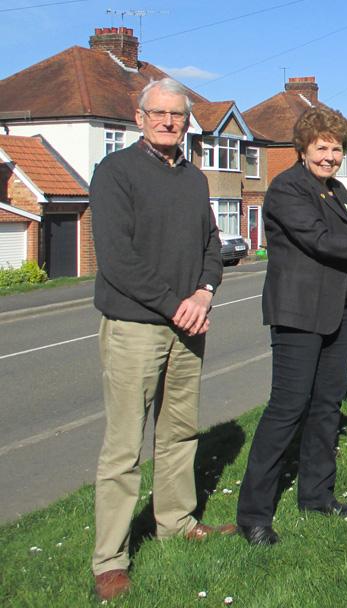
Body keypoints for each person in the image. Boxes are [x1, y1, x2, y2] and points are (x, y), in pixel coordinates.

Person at [236, 106, 347, 545]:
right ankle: (254, 515)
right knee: (287, 410)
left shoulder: (335, 190)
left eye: (336, 149)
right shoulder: (286, 190)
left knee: (326, 407)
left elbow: (341, 250)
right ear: (303, 149)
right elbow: (319, 241)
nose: (330, 157)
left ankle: (316, 495)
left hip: (337, 310)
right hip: (299, 314)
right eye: (322, 148)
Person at [89, 78, 232, 602]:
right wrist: (177, 305)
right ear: (139, 116)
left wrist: (204, 291)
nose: (169, 122)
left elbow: (212, 245)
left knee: (179, 434)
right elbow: (118, 260)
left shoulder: (194, 178)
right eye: (160, 113)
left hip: (187, 325)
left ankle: (175, 521)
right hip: (135, 327)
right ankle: (110, 558)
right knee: (124, 447)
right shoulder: (115, 173)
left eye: (178, 115)